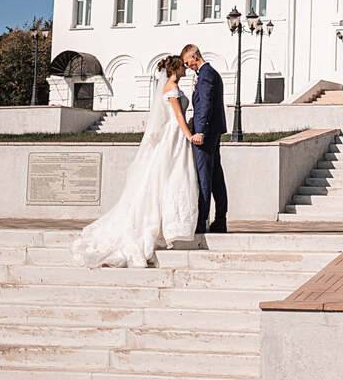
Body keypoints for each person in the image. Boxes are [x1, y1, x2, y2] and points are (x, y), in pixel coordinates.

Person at [70, 55, 199, 267]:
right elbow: (177, 117)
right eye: (183, 66)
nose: (186, 68)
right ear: (175, 69)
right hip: (174, 137)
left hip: (173, 135)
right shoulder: (171, 88)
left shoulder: (170, 86)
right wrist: (189, 135)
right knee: (171, 176)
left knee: (168, 178)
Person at [181, 43, 228, 234]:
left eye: (187, 62)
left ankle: (202, 222)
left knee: (204, 177)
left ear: (195, 55)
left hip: (206, 134)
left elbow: (205, 105)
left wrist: (199, 131)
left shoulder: (206, 74)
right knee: (216, 175)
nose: (187, 66)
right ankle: (220, 220)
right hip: (213, 132)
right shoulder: (209, 73)